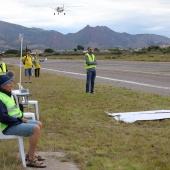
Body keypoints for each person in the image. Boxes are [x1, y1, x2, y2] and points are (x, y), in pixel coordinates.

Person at [0, 75, 46, 168]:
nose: (11, 85)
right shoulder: (1, 97)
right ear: (2, 85)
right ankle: (32, 159)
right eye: (8, 83)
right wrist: (19, 120)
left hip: (14, 122)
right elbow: (3, 118)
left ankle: (29, 154)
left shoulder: (7, 94)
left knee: (39, 124)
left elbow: (13, 112)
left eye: (11, 82)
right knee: (35, 128)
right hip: (7, 126)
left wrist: (20, 118)